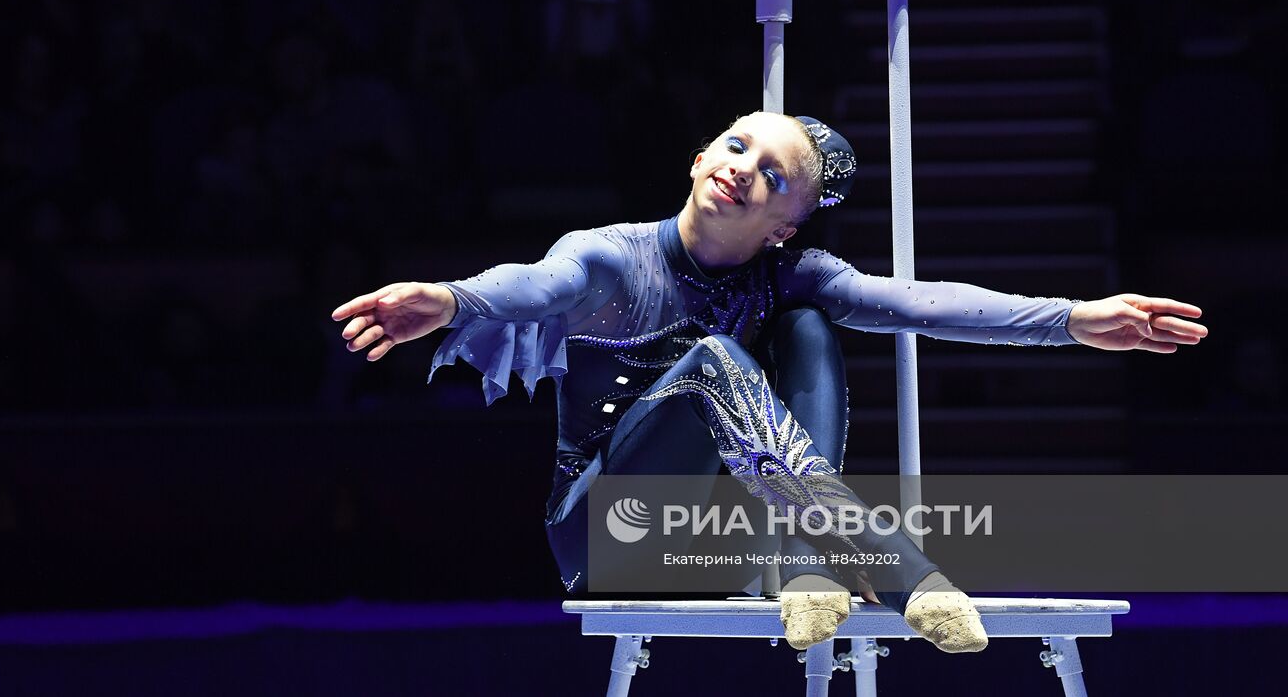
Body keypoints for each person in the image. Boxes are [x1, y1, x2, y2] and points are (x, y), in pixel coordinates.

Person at [331, 110, 1207, 652]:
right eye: (737, 141)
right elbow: (537, 283)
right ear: (701, 153)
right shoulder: (610, 256)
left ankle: (803, 562)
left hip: (701, 539)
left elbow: (925, 303)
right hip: (602, 536)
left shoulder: (792, 274)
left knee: (812, 327)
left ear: (785, 225)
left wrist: (1075, 318)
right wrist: (452, 298)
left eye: (773, 174)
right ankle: (889, 567)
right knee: (717, 362)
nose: (743, 164)